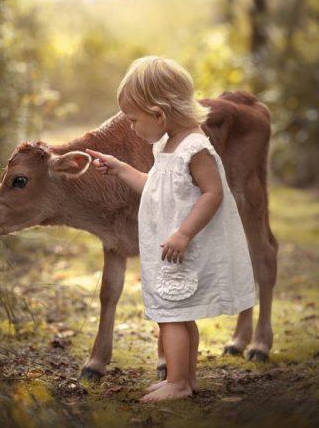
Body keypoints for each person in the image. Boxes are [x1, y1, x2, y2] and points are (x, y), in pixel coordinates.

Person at [87, 56, 256, 402]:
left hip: (182, 248)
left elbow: (213, 193)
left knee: (172, 316)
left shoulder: (195, 147)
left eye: (134, 119)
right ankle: (185, 378)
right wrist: (120, 168)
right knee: (179, 314)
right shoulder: (166, 144)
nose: (131, 128)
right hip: (171, 249)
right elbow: (157, 186)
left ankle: (177, 382)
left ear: (159, 113)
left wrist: (184, 234)